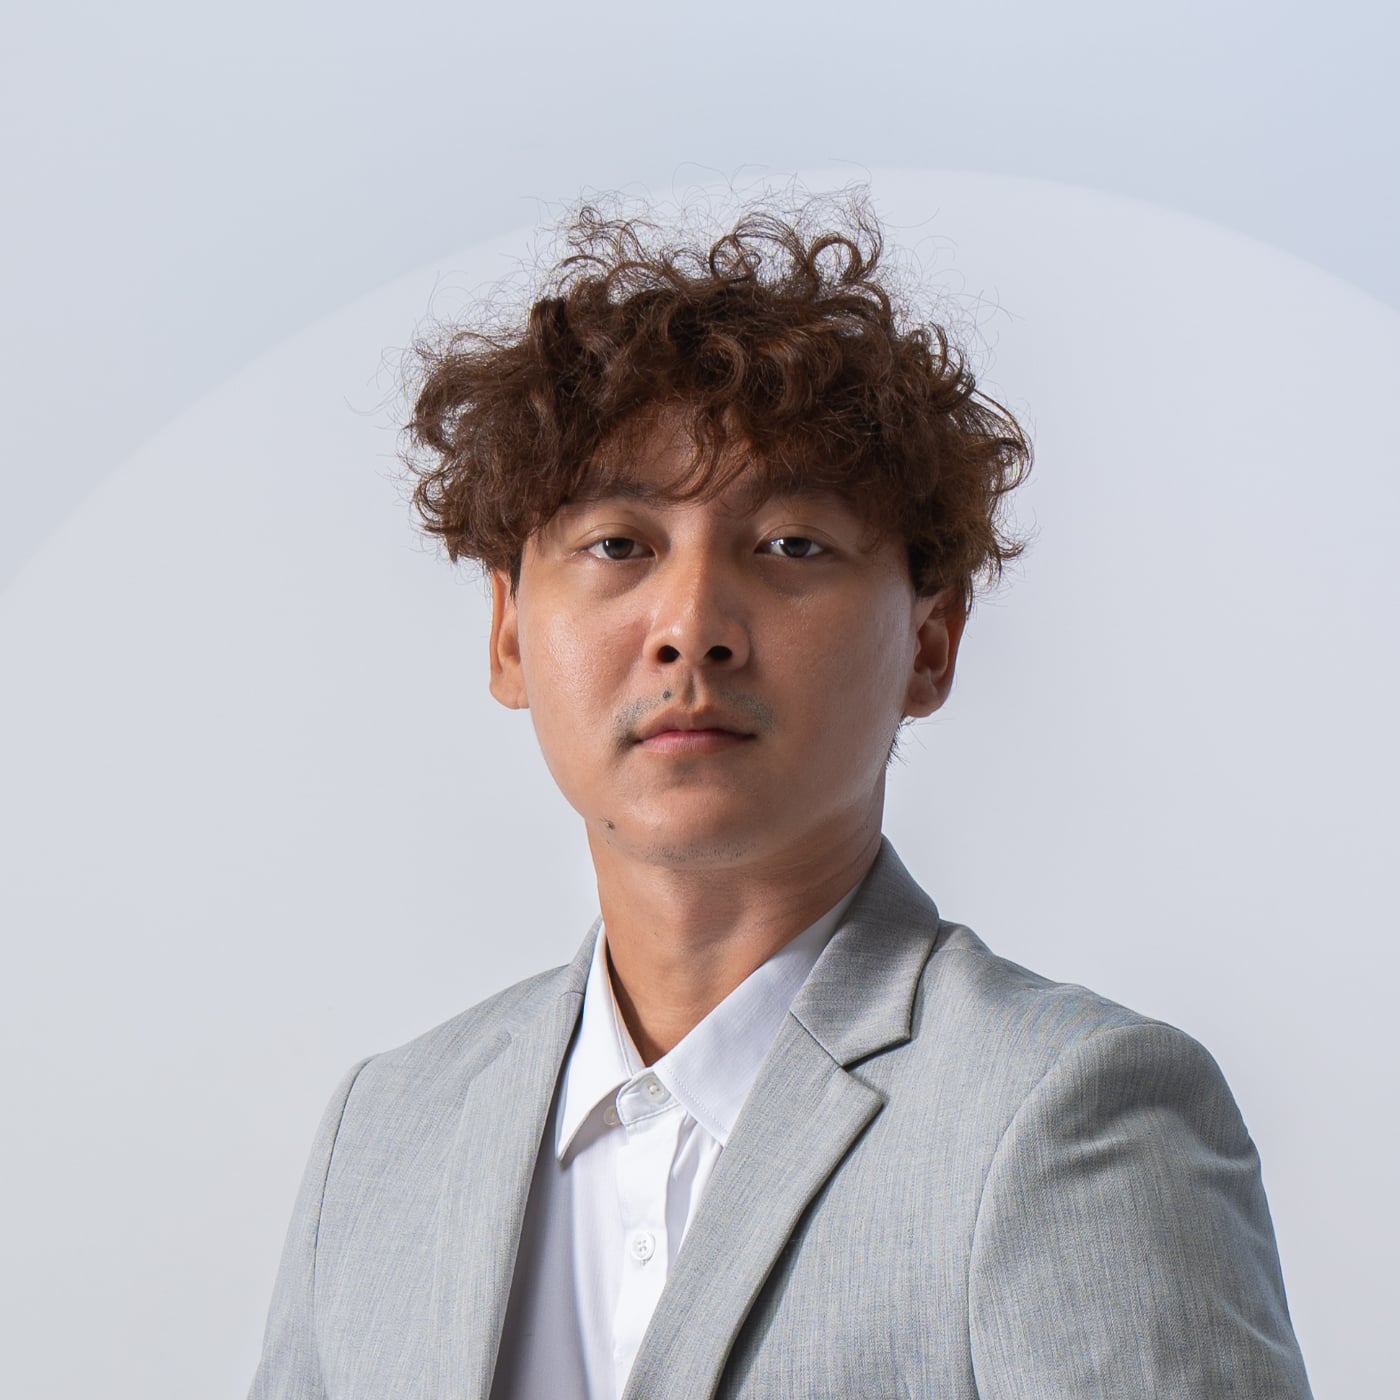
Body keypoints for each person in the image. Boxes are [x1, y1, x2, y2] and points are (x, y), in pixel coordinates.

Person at [248, 195, 1313, 1398]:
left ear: (930, 643)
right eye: (618, 544)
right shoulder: (385, 1133)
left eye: (793, 543)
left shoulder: (1067, 1115)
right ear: (506, 634)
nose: (690, 627)